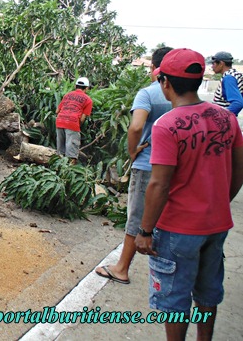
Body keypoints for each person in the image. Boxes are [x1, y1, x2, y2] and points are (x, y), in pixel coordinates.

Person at [135, 48, 243, 341]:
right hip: (217, 225)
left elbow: (159, 184)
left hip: (178, 229)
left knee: (174, 299)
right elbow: (238, 172)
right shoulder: (226, 119)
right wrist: (219, 204)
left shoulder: (167, 125)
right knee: (208, 292)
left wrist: (145, 231)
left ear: (165, 82)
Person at [95, 46, 173, 284]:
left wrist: (132, 151)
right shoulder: (184, 97)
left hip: (148, 164)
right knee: (167, 217)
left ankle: (122, 268)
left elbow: (136, 126)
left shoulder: (148, 93)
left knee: (137, 216)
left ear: (154, 69)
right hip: (174, 168)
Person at [55, 77, 93, 164]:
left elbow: (57, 111)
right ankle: (69, 173)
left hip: (60, 121)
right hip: (72, 123)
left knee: (60, 152)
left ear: (76, 86)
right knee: (71, 154)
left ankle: (58, 170)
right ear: (86, 88)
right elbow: (82, 119)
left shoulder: (67, 95)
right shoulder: (88, 100)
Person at [210, 51, 243, 116]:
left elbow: (238, 103)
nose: (212, 66)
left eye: (213, 63)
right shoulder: (234, 75)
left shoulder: (228, 78)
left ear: (221, 64)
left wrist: (222, 117)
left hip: (222, 123)